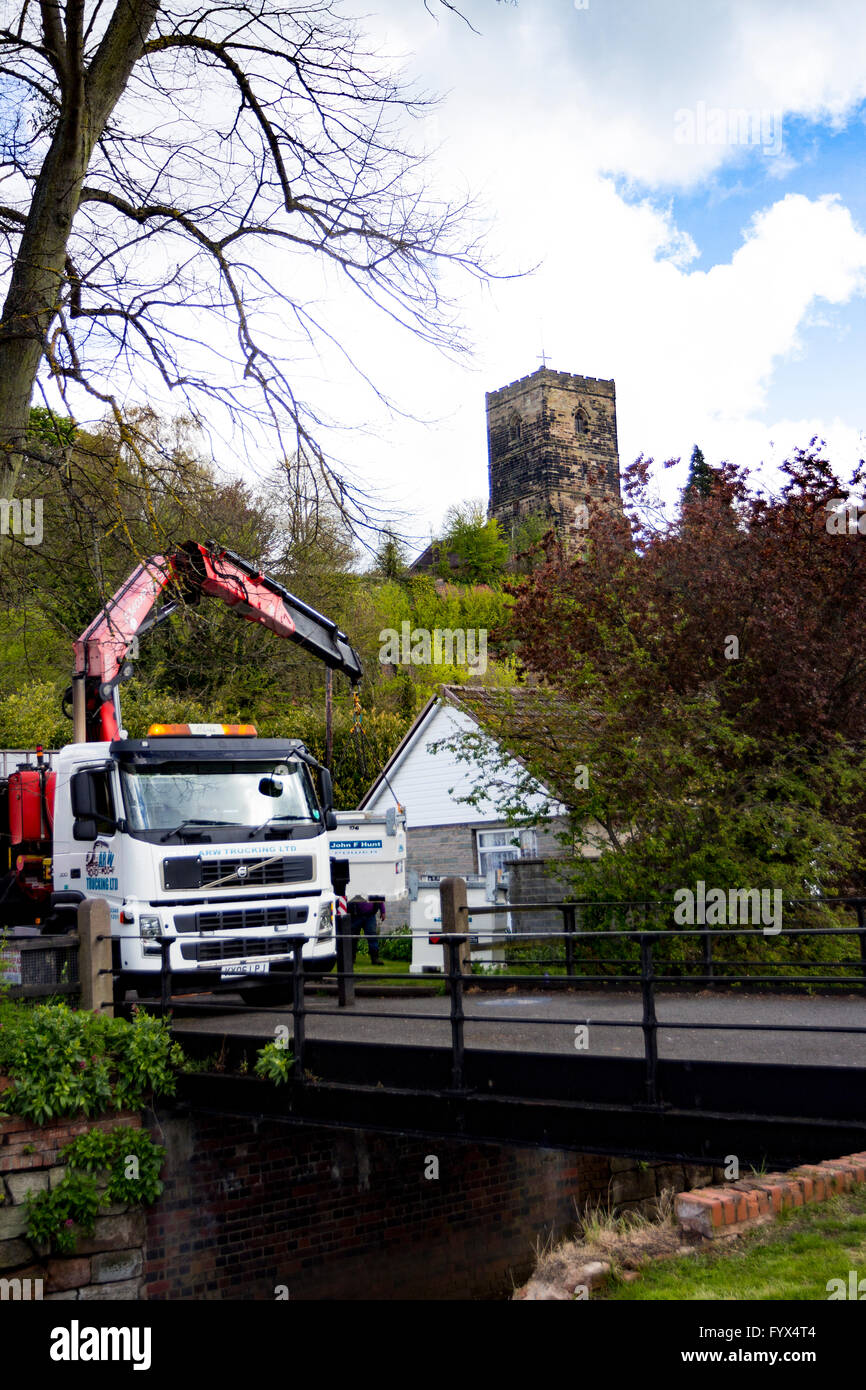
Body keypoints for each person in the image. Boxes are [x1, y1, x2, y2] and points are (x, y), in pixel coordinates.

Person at [348, 894, 386, 965]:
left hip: (370, 916)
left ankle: (375, 959)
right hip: (356, 915)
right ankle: (351, 958)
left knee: (372, 937)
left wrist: (383, 911)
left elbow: (378, 896)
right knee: (353, 937)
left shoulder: (373, 886)